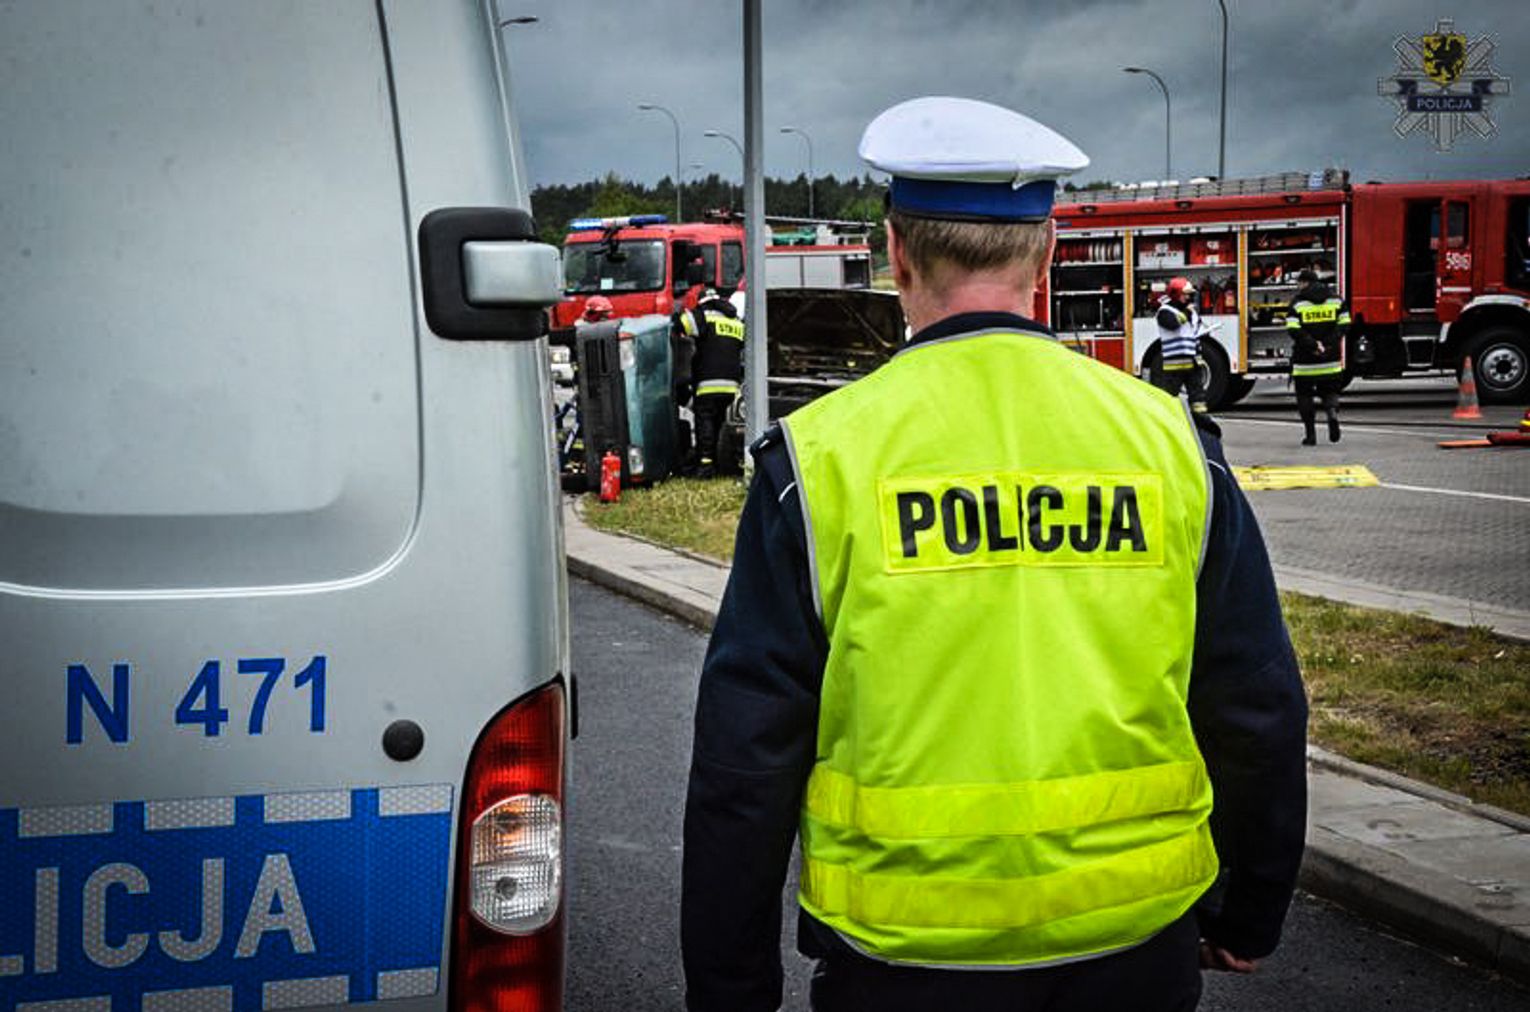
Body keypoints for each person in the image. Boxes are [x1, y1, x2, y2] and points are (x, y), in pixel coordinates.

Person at [681, 96, 1308, 1012]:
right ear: (1047, 253)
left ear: (896, 253)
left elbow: (744, 760)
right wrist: (1249, 910)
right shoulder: (1173, 445)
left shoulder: (816, 463)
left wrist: (729, 987)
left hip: (902, 964)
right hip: (1134, 951)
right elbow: (1256, 703)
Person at [678, 286, 745, 477]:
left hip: (708, 383)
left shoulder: (703, 316)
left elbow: (681, 324)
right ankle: (720, 463)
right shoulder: (735, 321)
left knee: (705, 422)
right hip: (732, 386)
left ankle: (705, 464)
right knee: (722, 424)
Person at [1286, 269, 1350, 444]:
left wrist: (1314, 345)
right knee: (1330, 391)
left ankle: (1310, 435)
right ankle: (1332, 413)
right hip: (1330, 359)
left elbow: (1293, 329)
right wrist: (1328, 344)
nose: (1298, 286)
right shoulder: (1336, 300)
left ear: (1305, 283)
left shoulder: (1298, 303)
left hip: (1305, 360)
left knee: (1304, 395)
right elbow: (1344, 324)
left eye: (1299, 283)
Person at [1153, 276, 1210, 414]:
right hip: (1174, 366)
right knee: (1169, 398)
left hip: (1192, 363)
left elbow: (1194, 333)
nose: (1188, 298)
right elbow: (1173, 324)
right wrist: (1187, 313)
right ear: (1175, 294)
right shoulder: (1164, 312)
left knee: (1198, 398)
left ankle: (1200, 420)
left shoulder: (1190, 312)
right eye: (1185, 294)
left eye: (1190, 295)